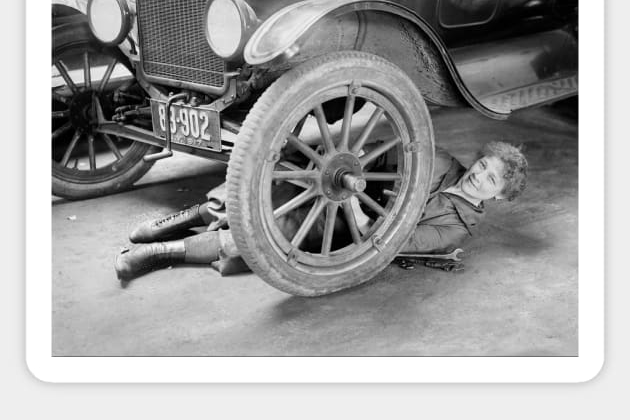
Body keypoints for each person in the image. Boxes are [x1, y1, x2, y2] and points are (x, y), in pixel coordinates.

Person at [114, 141, 528, 281]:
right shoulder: (440, 159)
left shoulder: (456, 229)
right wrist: (350, 167)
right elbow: (381, 155)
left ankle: (161, 253)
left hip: (353, 231)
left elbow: (386, 242)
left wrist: (352, 201)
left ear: (499, 198)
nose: (479, 176)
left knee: (278, 229)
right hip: (345, 191)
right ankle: (174, 223)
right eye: (484, 166)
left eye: (491, 180)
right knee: (276, 177)